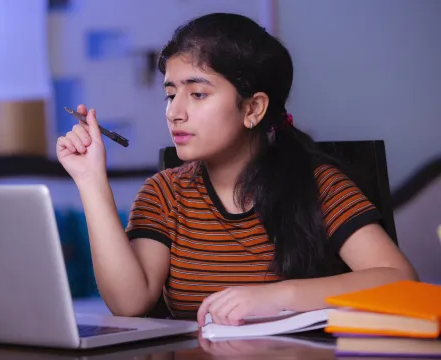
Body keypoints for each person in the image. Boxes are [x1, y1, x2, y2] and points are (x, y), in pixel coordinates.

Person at [56, 13, 417, 326]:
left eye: (197, 94)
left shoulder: (318, 184)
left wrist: (279, 296)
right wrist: (90, 180)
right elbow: (128, 303)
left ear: (254, 108)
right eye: (170, 94)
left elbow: (399, 281)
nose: (174, 112)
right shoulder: (164, 193)